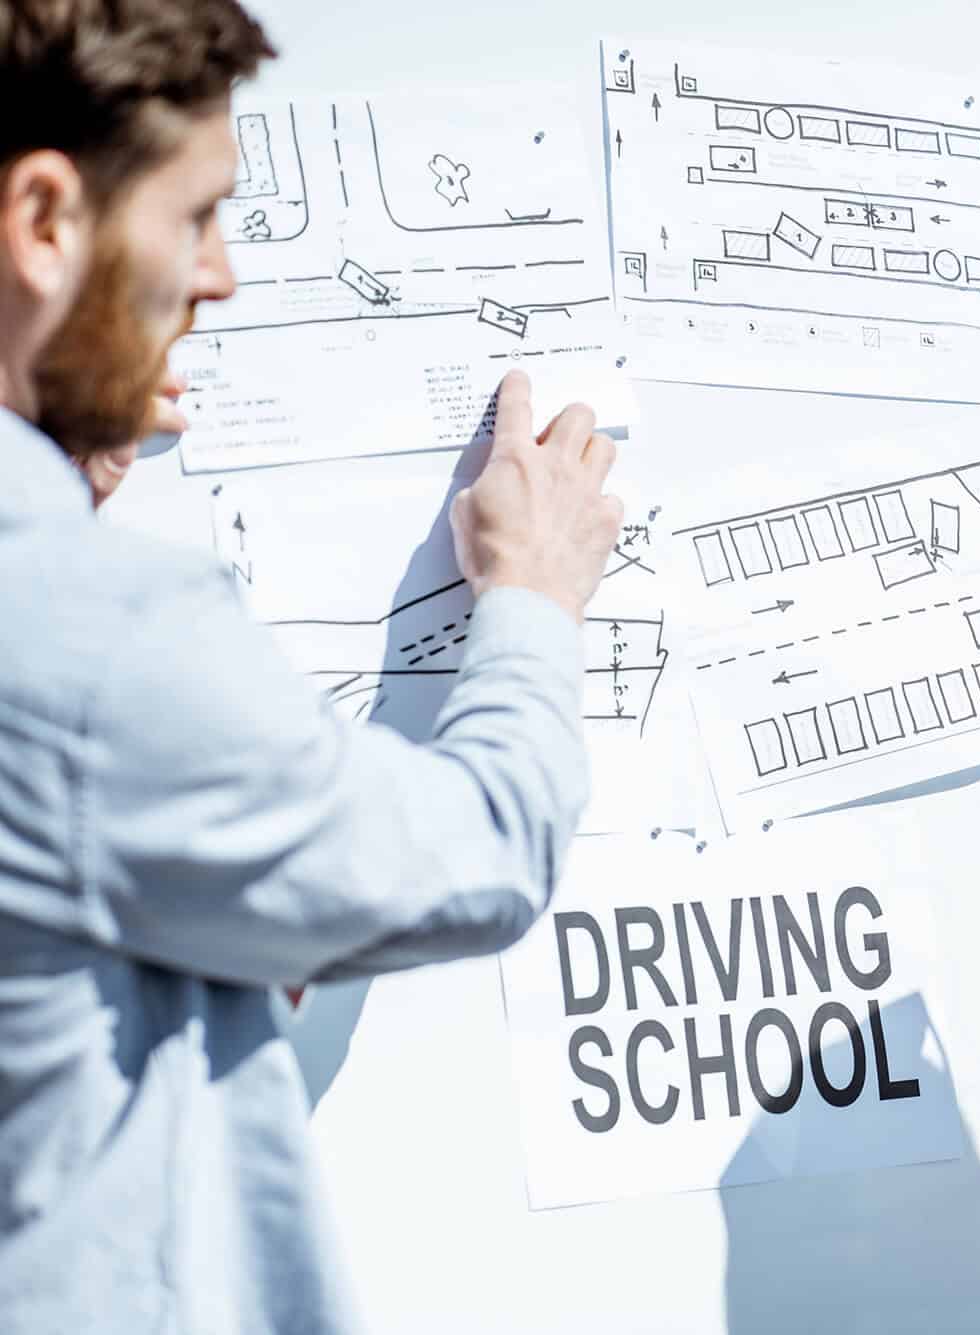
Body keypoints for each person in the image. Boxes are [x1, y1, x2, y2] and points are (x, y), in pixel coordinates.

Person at [0, 1, 625, 1330]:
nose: (220, 276)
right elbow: (483, 851)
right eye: (195, 217)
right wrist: (533, 594)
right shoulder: (98, 629)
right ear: (46, 223)